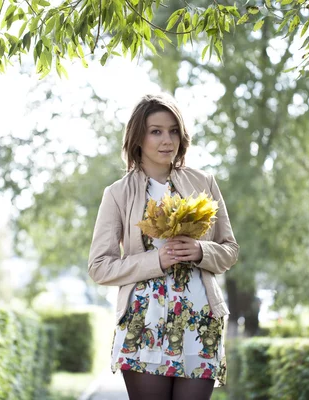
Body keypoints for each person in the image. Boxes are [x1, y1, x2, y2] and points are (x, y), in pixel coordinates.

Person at [88, 93, 239, 400]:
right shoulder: (117, 194)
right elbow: (99, 266)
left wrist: (201, 252)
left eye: (173, 130)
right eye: (156, 131)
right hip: (143, 322)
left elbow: (229, 250)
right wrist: (155, 260)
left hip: (200, 320)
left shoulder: (204, 182)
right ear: (138, 137)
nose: (167, 139)